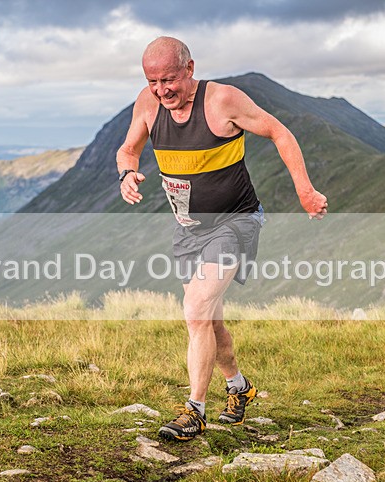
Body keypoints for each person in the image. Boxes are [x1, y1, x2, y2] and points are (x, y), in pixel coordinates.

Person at [117, 36, 328, 441]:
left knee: (195, 309)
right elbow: (127, 150)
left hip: (236, 221)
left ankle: (194, 411)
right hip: (189, 228)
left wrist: (305, 190)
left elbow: (280, 133)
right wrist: (127, 173)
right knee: (210, 321)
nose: (162, 90)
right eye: (153, 81)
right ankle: (238, 386)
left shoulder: (222, 101)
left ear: (190, 69)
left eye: (169, 80)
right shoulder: (147, 104)